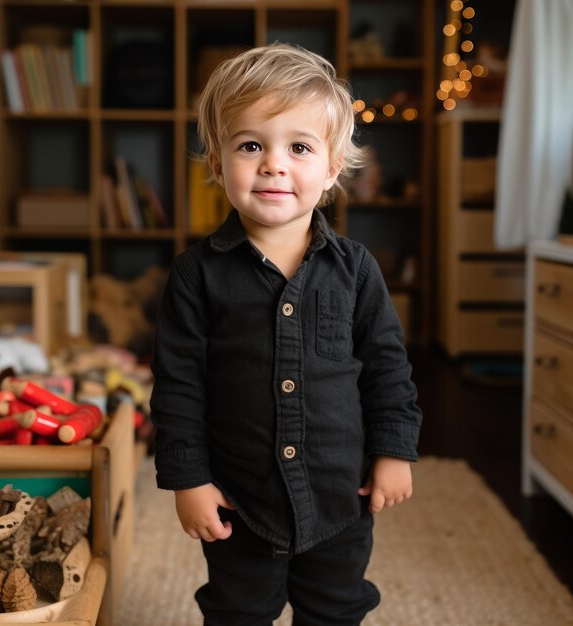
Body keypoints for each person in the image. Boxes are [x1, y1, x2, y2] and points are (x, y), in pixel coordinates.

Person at [150, 43, 422, 626]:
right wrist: (188, 478)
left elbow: (387, 368)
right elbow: (178, 385)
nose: (274, 164)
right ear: (219, 165)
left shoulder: (356, 269)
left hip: (338, 499)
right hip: (239, 501)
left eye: (299, 147)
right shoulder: (196, 275)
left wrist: (394, 450)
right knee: (237, 611)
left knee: (336, 608)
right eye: (251, 145)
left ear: (330, 170)